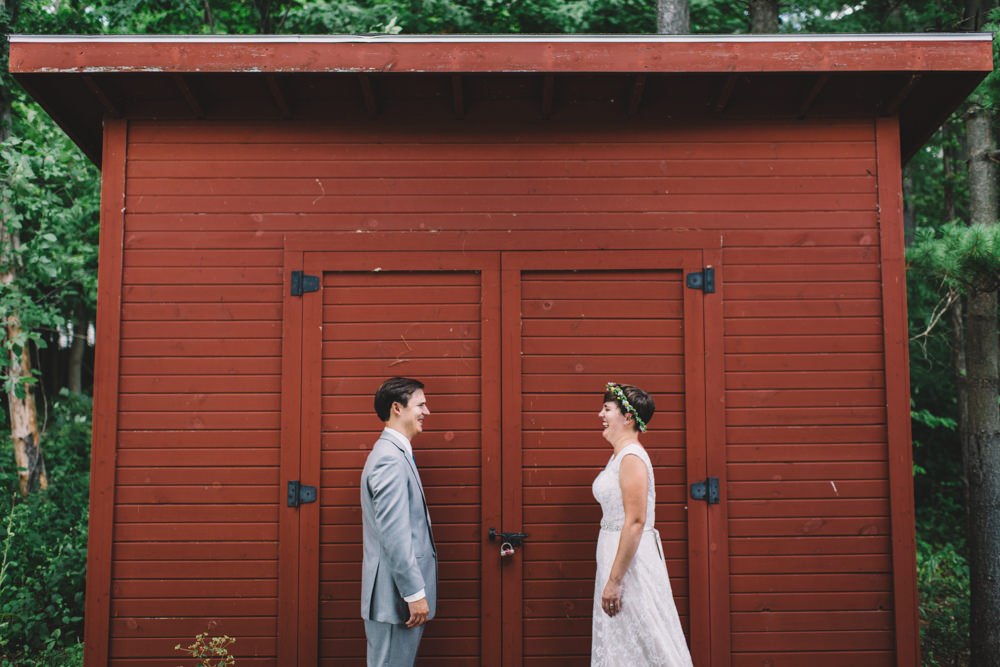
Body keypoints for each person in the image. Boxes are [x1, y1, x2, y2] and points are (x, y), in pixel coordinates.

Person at [591, 382, 693, 667]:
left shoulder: (631, 457)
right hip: (614, 553)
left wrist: (614, 581)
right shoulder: (619, 456)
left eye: (607, 409)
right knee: (622, 636)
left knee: (648, 633)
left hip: (630, 564)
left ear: (628, 418)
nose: (600, 414)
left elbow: (635, 522)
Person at [360, 377, 437, 667]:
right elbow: (395, 535)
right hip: (395, 599)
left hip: (396, 598)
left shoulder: (396, 454)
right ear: (397, 408)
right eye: (420, 404)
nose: (426, 412)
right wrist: (414, 593)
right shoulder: (390, 460)